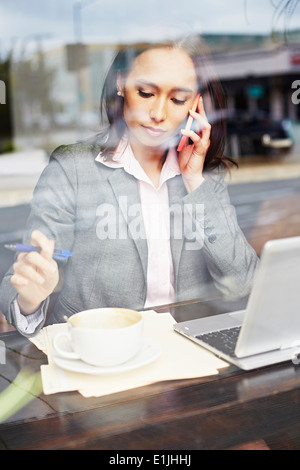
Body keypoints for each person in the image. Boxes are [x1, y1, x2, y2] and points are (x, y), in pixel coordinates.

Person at [0, 35, 258, 337]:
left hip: (189, 355)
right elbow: (15, 284)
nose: (159, 114)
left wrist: (194, 181)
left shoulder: (203, 178)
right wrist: (31, 297)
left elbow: (245, 286)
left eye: (178, 99)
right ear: (121, 83)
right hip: (101, 354)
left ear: (196, 103)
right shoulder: (73, 168)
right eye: (146, 92)